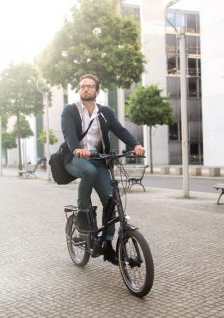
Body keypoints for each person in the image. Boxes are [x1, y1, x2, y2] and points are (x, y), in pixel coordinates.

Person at [61, 74, 145, 265]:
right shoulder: (70, 111)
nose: (86, 89)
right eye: (83, 86)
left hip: (98, 160)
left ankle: (106, 244)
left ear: (97, 91)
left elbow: (120, 130)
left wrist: (136, 145)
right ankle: (83, 212)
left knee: (111, 201)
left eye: (90, 86)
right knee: (88, 171)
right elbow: (69, 134)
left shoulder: (105, 112)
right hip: (74, 158)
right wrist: (77, 149)